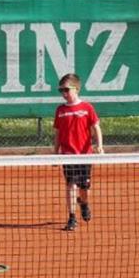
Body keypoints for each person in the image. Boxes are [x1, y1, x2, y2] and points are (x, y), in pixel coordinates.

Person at [54, 73, 104, 231]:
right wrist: (55, 153)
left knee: (85, 188)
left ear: (76, 89)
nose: (64, 93)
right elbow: (57, 133)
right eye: (61, 90)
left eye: (66, 90)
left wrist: (100, 146)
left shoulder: (87, 107)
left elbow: (96, 127)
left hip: (85, 155)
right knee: (70, 185)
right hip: (68, 156)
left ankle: (84, 203)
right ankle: (72, 218)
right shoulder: (60, 110)